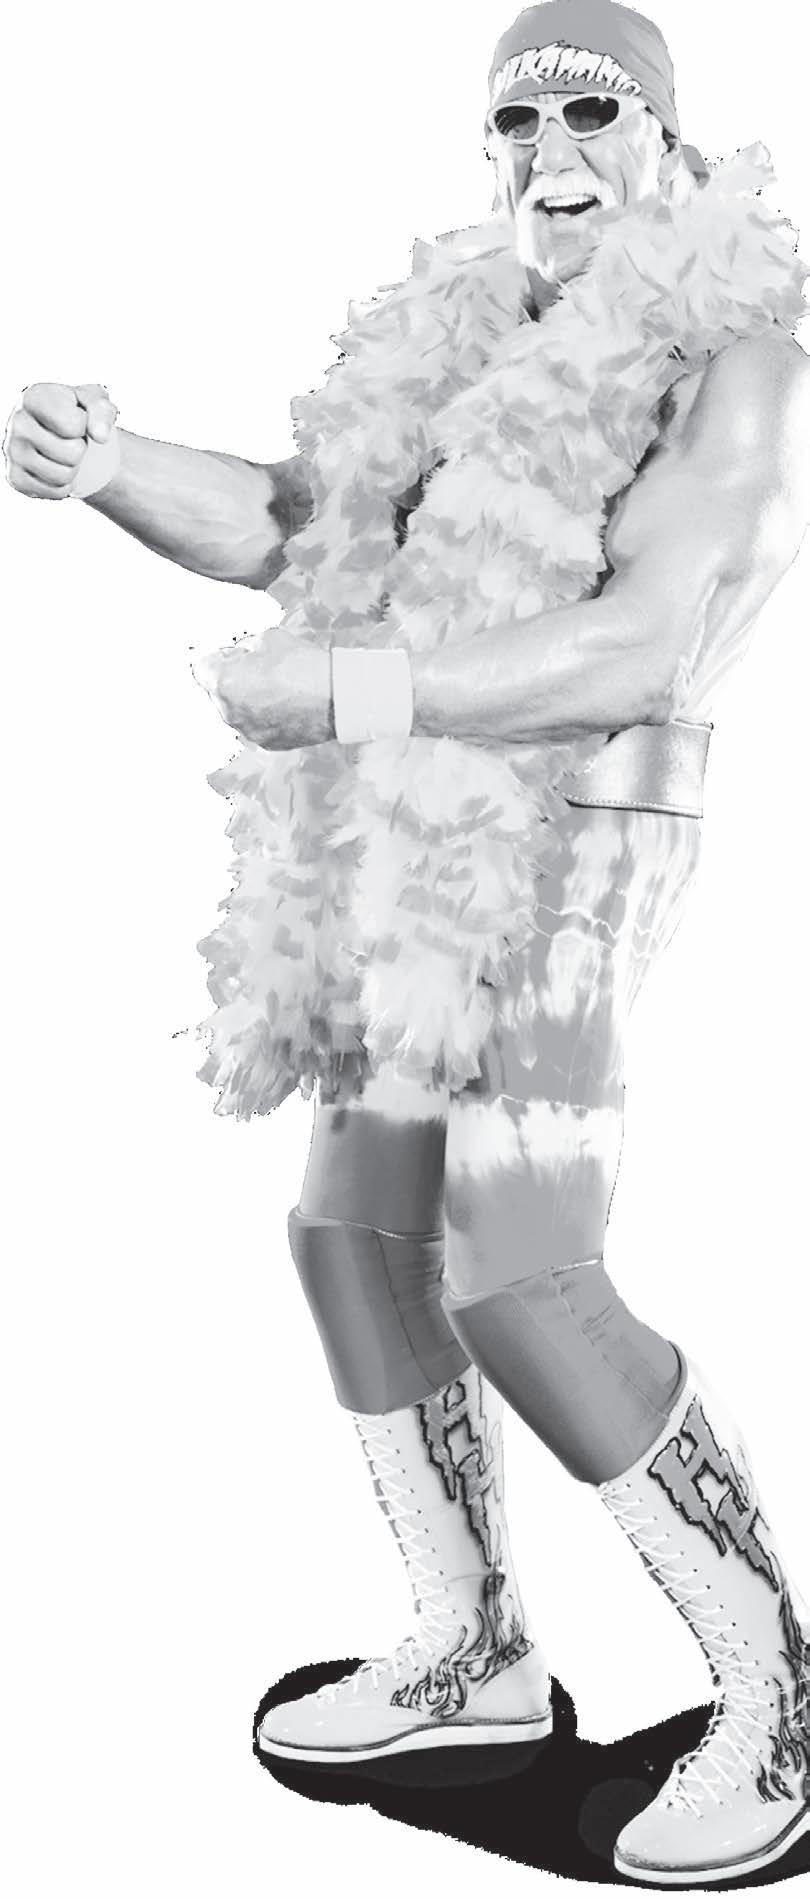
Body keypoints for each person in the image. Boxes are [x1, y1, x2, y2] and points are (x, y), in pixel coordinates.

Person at [5, 1, 810, 1883]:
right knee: (352, 1233)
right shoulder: (468, 338)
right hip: (412, 837)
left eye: (593, 111)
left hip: (582, 837)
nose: (550, 149)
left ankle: (780, 1690)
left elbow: (636, 647)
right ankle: (474, 1654)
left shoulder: (740, 357)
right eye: (514, 120)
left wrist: (351, 694)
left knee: (519, 1268)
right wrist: (109, 463)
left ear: (669, 141)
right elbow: (300, 528)